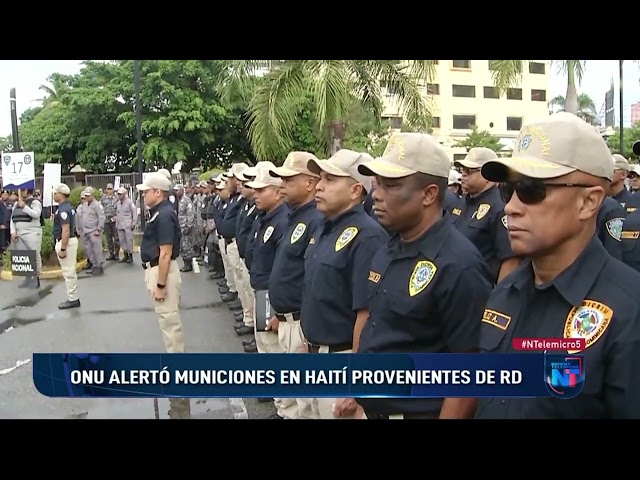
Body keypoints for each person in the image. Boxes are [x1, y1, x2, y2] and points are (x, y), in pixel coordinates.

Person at [476, 112, 640, 419]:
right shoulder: (504, 294)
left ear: (589, 202)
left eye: (531, 190)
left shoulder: (629, 312)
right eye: (507, 190)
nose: (511, 207)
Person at [339, 133, 492, 420]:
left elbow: (469, 372)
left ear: (429, 194)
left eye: (391, 185)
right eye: (377, 184)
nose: (377, 195)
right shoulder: (389, 248)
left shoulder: (459, 265)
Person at [301, 149, 389, 419]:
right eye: (320, 178)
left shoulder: (368, 236)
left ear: (355, 190)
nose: (319, 185)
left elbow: (367, 313)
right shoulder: (325, 227)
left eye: (329, 179)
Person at [267, 152, 324, 419]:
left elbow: (311, 277)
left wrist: (304, 327)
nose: (282, 184)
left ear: (310, 183)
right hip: (287, 319)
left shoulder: (316, 220)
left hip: (301, 323)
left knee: (307, 404)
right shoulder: (295, 216)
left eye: (289, 179)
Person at [136, 172, 190, 419]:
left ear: (157, 191)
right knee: (166, 322)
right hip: (157, 268)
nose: (144, 194)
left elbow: (166, 252)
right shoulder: (159, 211)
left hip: (162, 270)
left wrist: (160, 283)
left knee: (170, 323)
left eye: (146, 191)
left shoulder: (165, 213)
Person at [453, 147, 521, 283]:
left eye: (470, 170)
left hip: (482, 288)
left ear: (489, 176)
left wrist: (499, 299)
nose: (463, 175)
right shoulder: (463, 202)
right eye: (462, 170)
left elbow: (510, 260)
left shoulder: (500, 207)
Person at [52, 184, 80, 310]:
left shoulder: (63, 209)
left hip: (66, 242)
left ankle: (73, 299)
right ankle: (73, 297)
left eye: (55, 193)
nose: (54, 195)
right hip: (68, 241)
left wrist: (63, 248)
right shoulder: (66, 207)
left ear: (61, 194)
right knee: (69, 272)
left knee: (68, 272)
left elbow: (66, 230)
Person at [10, 188, 43, 288]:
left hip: (32, 233)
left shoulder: (35, 202)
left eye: (23, 190)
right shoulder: (16, 204)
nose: (20, 192)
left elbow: (36, 214)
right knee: (24, 257)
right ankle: (27, 278)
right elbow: (12, 219)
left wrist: (25, 207)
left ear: (28, 191)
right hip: (19, 234)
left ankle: (36, 278)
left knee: (34, 255)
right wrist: (13, 232)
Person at [80, 188, 106, 275]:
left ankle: (99, 266)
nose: (86, 197)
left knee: (97, 249)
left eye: (88, 195)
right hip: (86, 230)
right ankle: (94, 265)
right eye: (85, 196)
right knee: (89, 249)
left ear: (92, 195)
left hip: (94, 230)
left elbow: (101, 217)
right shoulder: (84, 205)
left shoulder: (97, 205)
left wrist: (99, 229)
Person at [115, 186, 137, 263]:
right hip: (120, 225)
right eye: (118, 194)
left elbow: (134, 213)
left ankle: (130, 255)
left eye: (121, 194)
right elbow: (118, 213)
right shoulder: (118, 203)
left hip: (128, 224)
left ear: (125, 194)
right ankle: (125, 255)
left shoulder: (129, 202)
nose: (119, 195)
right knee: (122, 241)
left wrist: (133, 223)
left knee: (129, 240)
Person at [101, 183, 120, 261]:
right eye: (108, 189)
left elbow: (119, 209)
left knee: (116, 238)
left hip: (114, 219)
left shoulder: (117, 198)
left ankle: (116, 253)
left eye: (110, 189)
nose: (109, 190)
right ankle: (111, 253)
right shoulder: (103, 199)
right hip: (106, 220)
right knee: (108, 238)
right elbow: (101, 209)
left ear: (113, 189)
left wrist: (117, 216)